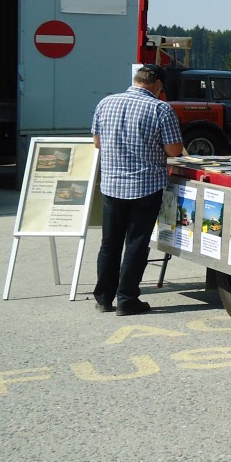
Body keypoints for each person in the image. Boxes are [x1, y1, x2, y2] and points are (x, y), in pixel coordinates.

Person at [91, 63, 184, 315]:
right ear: (156, 85)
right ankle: (127, 298)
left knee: (109, 244)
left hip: (111, 185)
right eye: (161, 88)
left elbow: (97, 142)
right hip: (145, 186)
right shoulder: (159, 108)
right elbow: (174, 150)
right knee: (136, 243)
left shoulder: (105, 103)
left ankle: (103, 297)